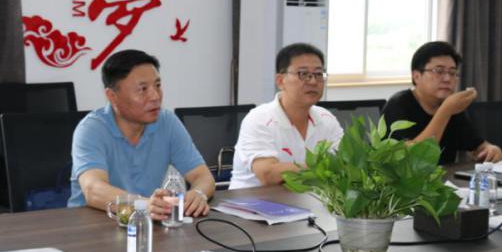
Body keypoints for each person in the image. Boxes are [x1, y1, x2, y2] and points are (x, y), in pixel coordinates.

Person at [69, 49, 215, 221]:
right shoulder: (92, 129)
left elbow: (202, 176)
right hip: (92, 224)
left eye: (157, 85)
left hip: (146, 224)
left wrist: (198, 193)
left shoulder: (166, 122)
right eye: (142, 89)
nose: (155, 96)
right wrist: (144, 205)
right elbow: (93, 189)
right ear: (112, 96)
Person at [229, 43, 344, 190]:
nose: (313, 81)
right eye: (303, 74)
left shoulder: (327, 118)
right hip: (253, 201)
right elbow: (269, 174)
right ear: (280, 81)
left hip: (306, 200)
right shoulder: (259, 119)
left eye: (318, 74)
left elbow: (346, 163)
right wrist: (325, 168)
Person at [381, 41, 502, 164]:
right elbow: (414, 160)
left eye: (452, 72)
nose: (447, 78)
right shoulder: (398, 104)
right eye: (438, 71)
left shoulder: (452, 105)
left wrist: (491, 149)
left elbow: (477, 146)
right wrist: (445, 111)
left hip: (447, 175)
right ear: (416, 76)